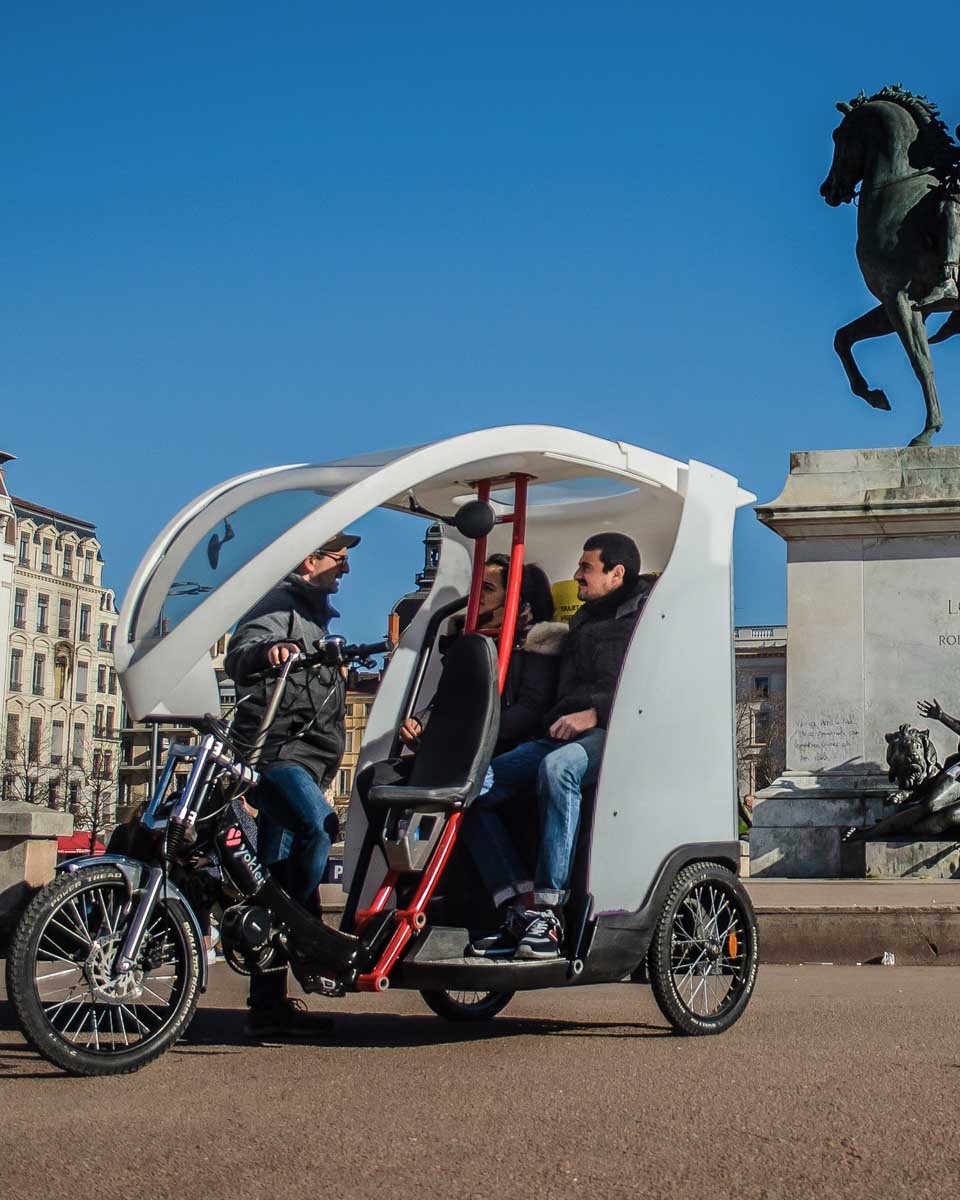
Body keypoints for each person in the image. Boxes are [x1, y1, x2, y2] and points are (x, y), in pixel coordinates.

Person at [463, 532, 654, 961]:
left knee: (558, 769)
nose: (576, 576)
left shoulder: (647, 618)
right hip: (564, 730)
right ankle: (517, 904)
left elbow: (651, 685)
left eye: (586, 567)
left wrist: (597, 714)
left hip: (620, 732)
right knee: (472, 788)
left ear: (616, 573)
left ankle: (549, 914)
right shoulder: (584, 619)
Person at [225, 531, 359, 1038]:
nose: (345, 570)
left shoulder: (314, 611)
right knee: (318, 828)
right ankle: (300, 932)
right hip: (276, 755)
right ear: (310, 559)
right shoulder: (279, 601)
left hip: (306, 758)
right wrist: (270, 651)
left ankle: (269, 1006)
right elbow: (242, 653)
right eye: (339, 560)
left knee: (274, 876)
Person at [398, 554, 567, 757]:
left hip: (507, 749)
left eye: (487, 588)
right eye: (476, 586)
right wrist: (420, 723)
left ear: (517, 599)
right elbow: (448, 702)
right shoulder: (468, 642)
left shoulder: (539, 641)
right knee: (375, 777)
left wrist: (467, 734)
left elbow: (531, 710)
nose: (477, 595)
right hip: (466, 748)